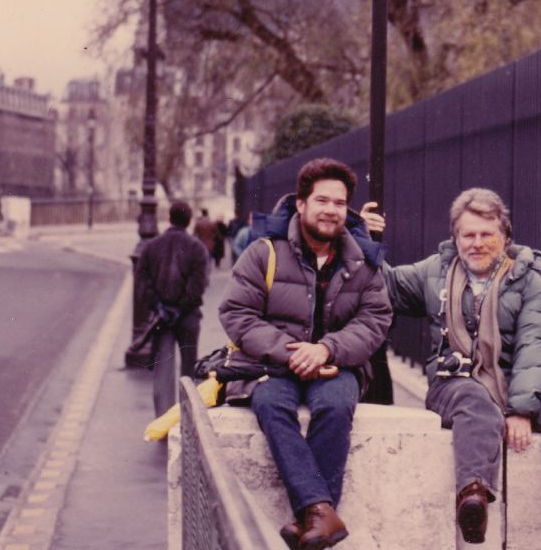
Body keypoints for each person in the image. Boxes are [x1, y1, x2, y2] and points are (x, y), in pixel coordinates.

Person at [362, 188, 541, 549]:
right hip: (454, 383)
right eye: (467, 235)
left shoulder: (532, 280)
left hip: (516, 383)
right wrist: (361, 238)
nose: (476, 243)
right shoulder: (435, 272)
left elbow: (538, 346)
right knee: (474, 400)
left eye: (486, 234)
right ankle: (473, 496)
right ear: (455, 237)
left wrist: (521, 409)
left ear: (505, 237)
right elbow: (385, 287)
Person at [218, 158, 392, 550]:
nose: (331, 210)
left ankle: (309, 519)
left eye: (339, 203)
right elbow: (236, 312)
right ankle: (320, 511)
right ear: (301, 205)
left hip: (336, 366)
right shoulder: (264, 252)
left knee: (335, 407)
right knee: (269, 405)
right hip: (273, 365)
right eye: (321, 201)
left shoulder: (363, 260)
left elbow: (376, 319)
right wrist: (289, 351)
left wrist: (327, 348)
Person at [135, 201, 210, 416]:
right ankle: (186, 416)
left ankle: (163, 417)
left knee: (162, 369)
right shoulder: (197, 248)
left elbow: (142, 281)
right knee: (188, 368)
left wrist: (158, 304)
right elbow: (198, 285)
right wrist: (182, 307)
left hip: (161, 317)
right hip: (187, 316)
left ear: (169, 218)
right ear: (188, 221)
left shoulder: (152, 246)